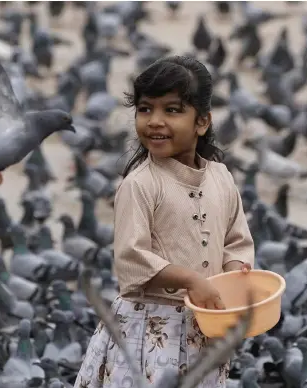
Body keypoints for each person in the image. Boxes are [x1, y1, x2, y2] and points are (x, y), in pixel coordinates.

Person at [74, 56, 255, 388]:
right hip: (147, 332)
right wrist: (190, 279)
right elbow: (131, 256)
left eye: (172, 110)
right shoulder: (140, 184)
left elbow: (236, 239)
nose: (154, 121)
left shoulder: (221, 177)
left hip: (204, 328)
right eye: (145, 109)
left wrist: (234, 273)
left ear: (202, 122)